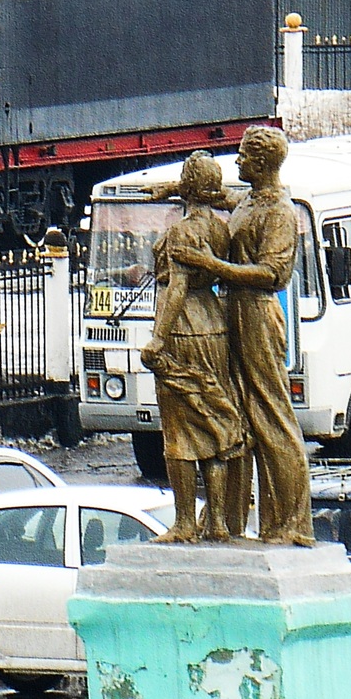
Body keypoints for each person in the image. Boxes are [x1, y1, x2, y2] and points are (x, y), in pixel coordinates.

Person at [172, 126, 315, 548]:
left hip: (256, 313)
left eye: (244, 159)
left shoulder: (280, 213)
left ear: (263, 164)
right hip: (233, 309)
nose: (237, 164)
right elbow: (218, 197)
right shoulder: (250, 200)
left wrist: (210, 264)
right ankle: (227, 518)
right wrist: (173, 190)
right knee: (236, 412)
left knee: (271, 415)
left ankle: (290, 522)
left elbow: (272, 275)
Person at [139, 152, 246, 542]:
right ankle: (217, 521)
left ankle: (185, 522)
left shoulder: (183, 232)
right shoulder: (222, 228)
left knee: (180, 432)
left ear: (187, 186)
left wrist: (158, 339)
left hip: (183, 330)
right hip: (214, 327)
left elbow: (177, 287)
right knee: (214, 422)